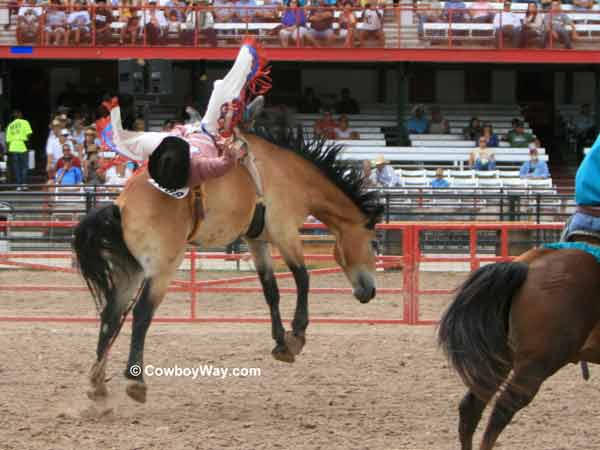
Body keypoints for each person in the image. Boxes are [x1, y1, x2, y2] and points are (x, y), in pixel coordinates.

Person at [101, 40, 270, 193]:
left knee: (127, 140)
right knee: (221, 90)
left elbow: (170, 138)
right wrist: (227, 145)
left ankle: (245, 67)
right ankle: (259, 192)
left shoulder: (167, 150)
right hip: (210, 133)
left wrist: (182, 131)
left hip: (188, 136)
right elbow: (226, 162)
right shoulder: (200, 166)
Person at [6, 110, 32, 188]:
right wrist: (27, 142)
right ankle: (24, 184)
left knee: (17, 168)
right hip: (22, 146)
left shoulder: (10, 125)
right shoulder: (24, 122)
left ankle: (18, 185)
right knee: (24, 166)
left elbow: (8, 140)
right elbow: (29, 134)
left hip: (13, 147)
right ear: (20, 115)